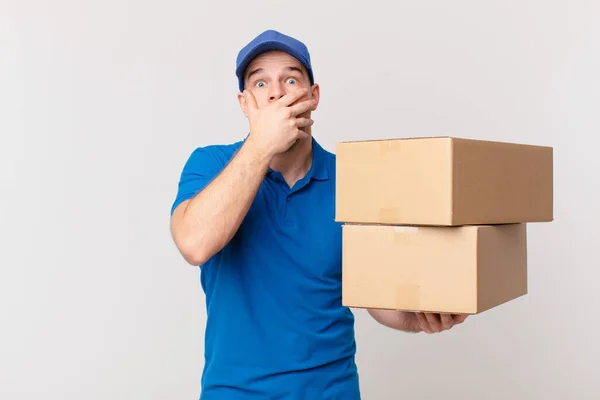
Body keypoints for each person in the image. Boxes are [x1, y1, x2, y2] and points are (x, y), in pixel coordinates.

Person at [169, 29, 468, 400]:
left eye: (290, 79)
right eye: (260, 82)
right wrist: (261, 144)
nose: (276, 92)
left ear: (313, 97)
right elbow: (194, 243)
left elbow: (374, 292)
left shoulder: (353, 180)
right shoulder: (210, 164)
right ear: (245, 103)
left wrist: (415, 318)